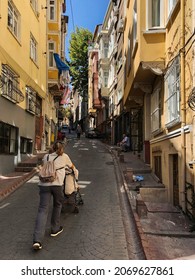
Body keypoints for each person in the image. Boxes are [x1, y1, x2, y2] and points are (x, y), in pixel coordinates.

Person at [32, 141, 75, 250]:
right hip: (57, 185)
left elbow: (45, 166)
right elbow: (72, 166)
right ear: (61, 148)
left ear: (52, 148)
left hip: (43, 184)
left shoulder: (46, 156)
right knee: (57, 204)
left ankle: (37, 241)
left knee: (42, 210)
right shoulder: (64, 156)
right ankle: (55, 228)